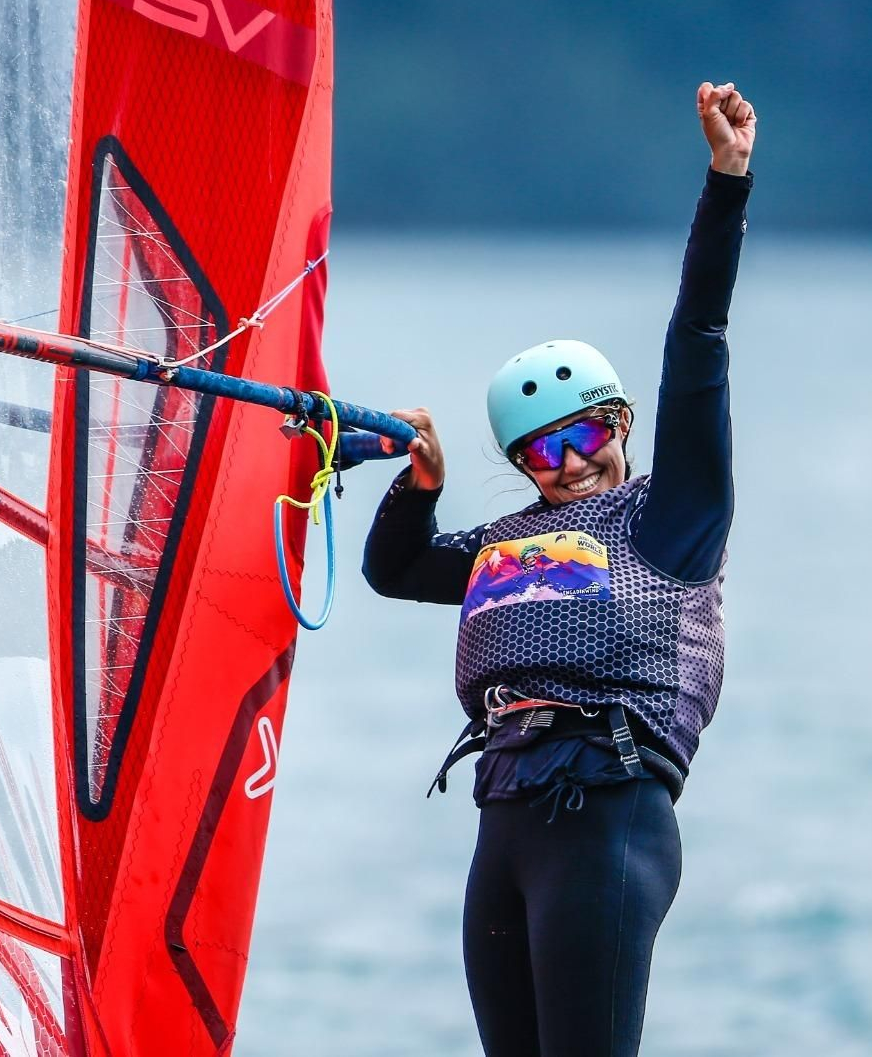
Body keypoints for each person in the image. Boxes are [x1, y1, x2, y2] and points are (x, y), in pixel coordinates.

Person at [362, 81, 755, 1056]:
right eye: (543, 450)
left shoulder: (670, 517)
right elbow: (394, 569)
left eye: (589, 433)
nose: (572, 462)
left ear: (621, 424)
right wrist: (420, 483)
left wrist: (726, 182)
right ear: (521, 465)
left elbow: (697, 344)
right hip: (504, 820)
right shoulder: (503, 544)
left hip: (607, 815)